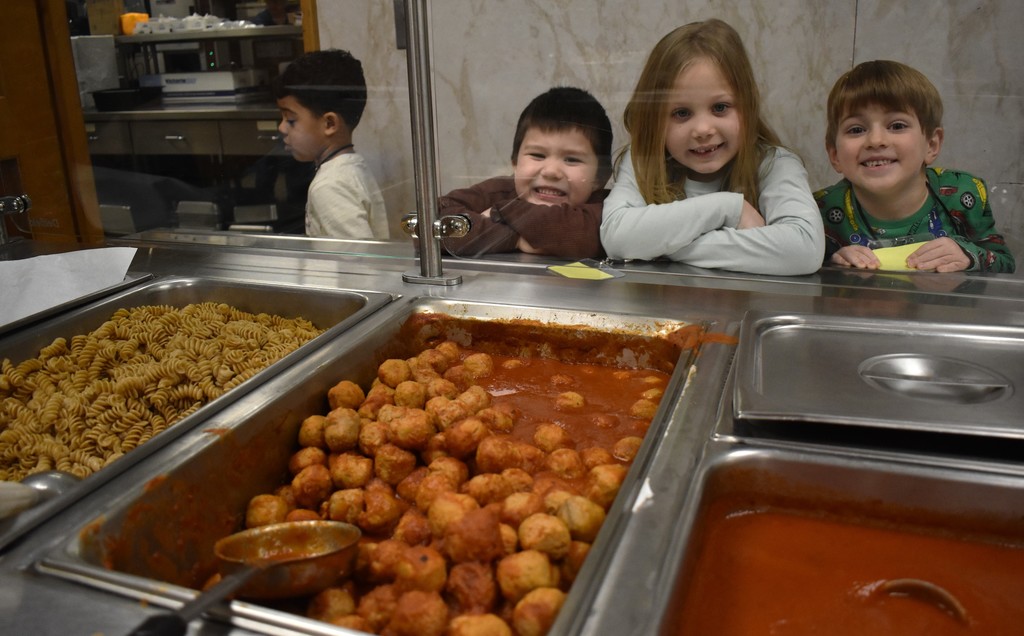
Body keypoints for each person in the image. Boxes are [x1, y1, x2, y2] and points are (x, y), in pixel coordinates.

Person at [599, 19, 824, 275]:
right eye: (681, 113)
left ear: (748, 106)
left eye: (720, 108)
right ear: (655, 119)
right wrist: (728, 208)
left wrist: (659, 247)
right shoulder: (643, 159)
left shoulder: (774, 163)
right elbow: (616, 239)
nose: (703, 130)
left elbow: (804, 250)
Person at [816, 60, 1015, 273]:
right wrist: (829, 263)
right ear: (834, 154)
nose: (875, 140)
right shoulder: (819, 212)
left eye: (897, 126)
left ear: (931, 144)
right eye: (856, 129)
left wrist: (968, 255)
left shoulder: (963, 195)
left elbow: (1005, 264)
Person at [437, 86, 613, 259]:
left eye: (572, 160)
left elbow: (588, 237)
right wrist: (513, 239)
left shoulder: (609, 209)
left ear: (599, 178)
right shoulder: (499, 192)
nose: (551, 172)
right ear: (515, 163)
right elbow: (428, 222)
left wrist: (502, 212)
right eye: (538, 155)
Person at [273, 49, 389, 240]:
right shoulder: (352, 168)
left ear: (329, 124)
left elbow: (358, 262)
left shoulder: (329, 187)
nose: (282, 127)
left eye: (291, 119)